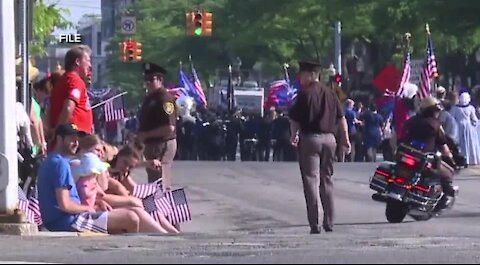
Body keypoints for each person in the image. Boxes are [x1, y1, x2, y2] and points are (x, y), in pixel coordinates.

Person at [37, 123, 140, 233]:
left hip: (61, 219)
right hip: (68, 221)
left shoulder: (51, 161)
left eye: (77, 140)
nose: (76, 143)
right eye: (72, 139)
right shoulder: (60, 164)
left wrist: (96, 204)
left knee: (122, 220)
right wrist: (88, 208)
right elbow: (65, 205)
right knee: (131, 218)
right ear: (59, 139)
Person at [288, 60, 351, 234]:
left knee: (310, 180)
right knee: (327, 180)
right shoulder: (332, 94)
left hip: (310, 139)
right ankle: (329, 221)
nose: (300, 78)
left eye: (302, 74)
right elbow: (341, 119)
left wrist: (294, 136)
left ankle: (314, 223)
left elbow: (295, 119)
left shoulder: (304, 94)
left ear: (312, 75)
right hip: (330, 140)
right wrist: (345, 139)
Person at [403, 96, 458, 208]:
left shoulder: (410, 121)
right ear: (431, 111)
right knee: (448, 173)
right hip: (425, 158)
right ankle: (443, 200)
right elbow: (444, 147)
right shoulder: (435, 125)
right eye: (436, 111)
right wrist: (451, 159)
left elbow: (397, 137)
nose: (437, 113)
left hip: (406, 154)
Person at [137, 62, 177, 189]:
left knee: (161, 181)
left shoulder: (164, 99)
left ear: (160, 80)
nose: (147, 83)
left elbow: (169, 128)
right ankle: (155, 207)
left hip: (162, 144)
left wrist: (145, 135)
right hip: (151, 145)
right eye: (146, 80)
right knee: (153, 181)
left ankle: (163, 207)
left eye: (151, 79)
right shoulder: (149, 98)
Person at [49, 45, 93, 138]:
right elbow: (68, 108)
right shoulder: (75, 80)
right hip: (75, 137)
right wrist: (58, 132)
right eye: (88, 61)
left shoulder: (64, 80)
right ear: (77, 62)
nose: (90, 65)